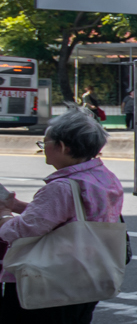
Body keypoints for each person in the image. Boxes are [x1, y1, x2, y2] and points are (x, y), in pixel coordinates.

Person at [0, 109, 124, 322]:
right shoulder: (104, 177)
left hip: (51, 282)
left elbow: (22, 231)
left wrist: (4, 214)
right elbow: (72, 215)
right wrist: (19, 206)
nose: (43, 148)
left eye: (44, 143)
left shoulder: (63, 187)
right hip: (88, 274)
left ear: (63, 146)